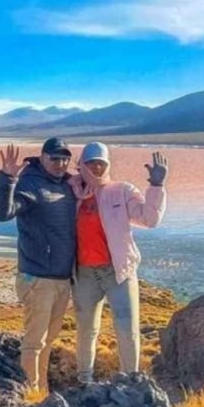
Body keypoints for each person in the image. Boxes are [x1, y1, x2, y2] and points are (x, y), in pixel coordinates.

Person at [68, 142, 167, 381]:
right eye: (91, 164)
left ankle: (131, 381)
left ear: (108, 165)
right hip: (84, 274)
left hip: (118, 271)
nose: (96, 169)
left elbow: (149, 219)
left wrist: (156, 185)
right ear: (81, 165)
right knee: (86, 331)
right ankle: (85, 380)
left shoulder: (121, 191)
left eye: (101, 164)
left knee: (127, 329)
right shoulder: (69, 193)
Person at [0, 137, 78, 393]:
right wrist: (7, 179)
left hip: (62, 278)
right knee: (34, 342)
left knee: (48, 341)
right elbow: (0, 214)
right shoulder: (30, 182)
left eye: (65, 158)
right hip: (38, 278)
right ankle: (30, 394)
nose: (60, 163)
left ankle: (43, 392)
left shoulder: (68, 186)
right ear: (42, 157)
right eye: (54, 158)